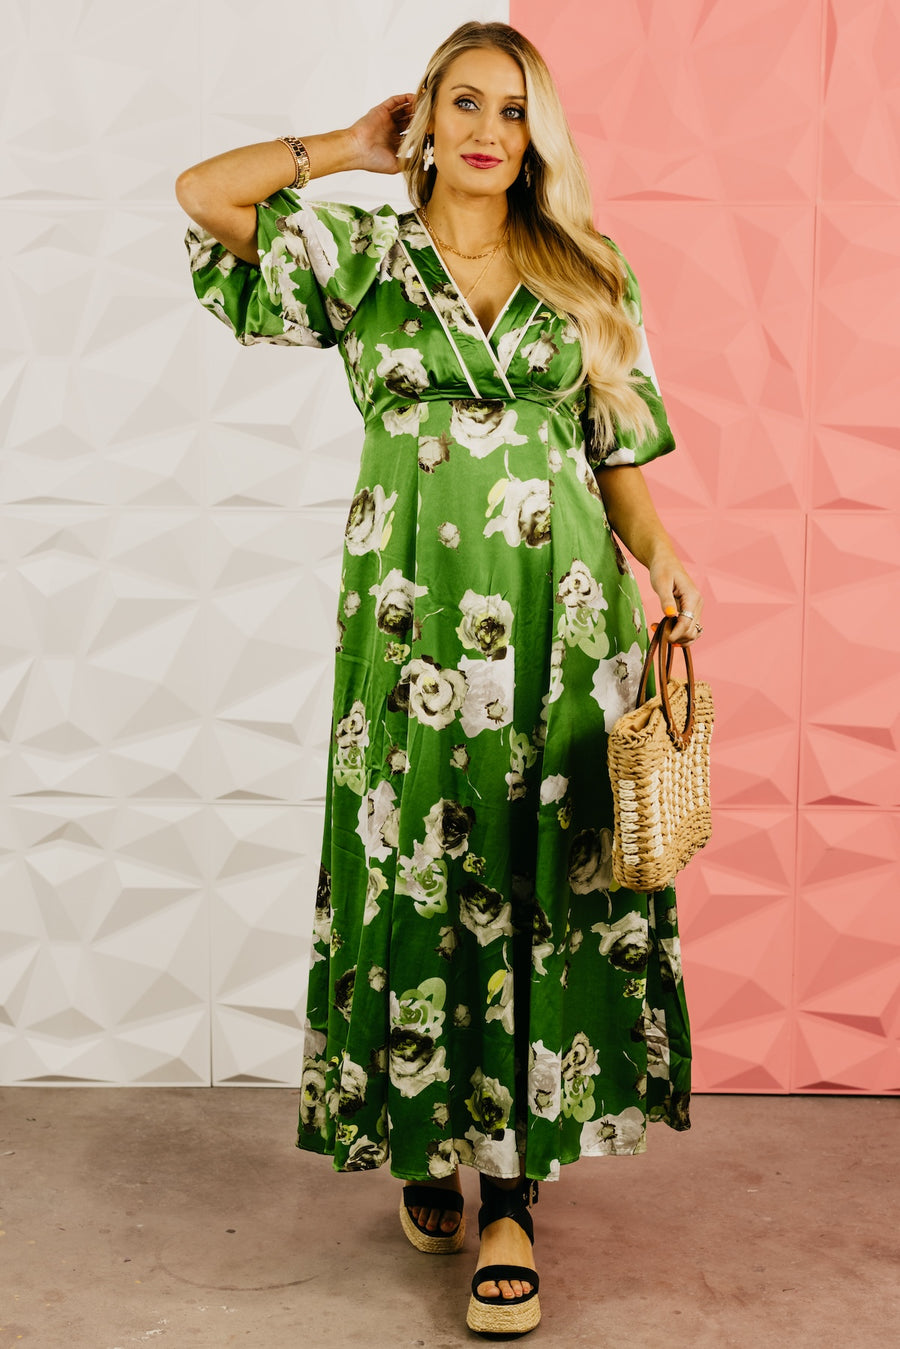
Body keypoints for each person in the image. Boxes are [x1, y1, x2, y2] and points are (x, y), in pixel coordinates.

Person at [176, 19, 702, 1337]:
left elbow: (615, 451)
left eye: (513, 111)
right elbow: (203, 193)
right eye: (463, 103)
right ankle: (424, 1132)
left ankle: (512, 1196)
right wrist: (344, 150)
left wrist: (661, 557)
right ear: (425, 118)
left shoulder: (586, 267)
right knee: (416, 860)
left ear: (539, 137)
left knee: (539, 875)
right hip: (407, 625)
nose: (487, 131)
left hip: (561, 626)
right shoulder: (365, 253)